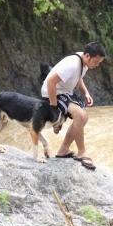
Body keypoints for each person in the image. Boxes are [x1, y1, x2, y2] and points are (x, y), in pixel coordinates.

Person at [41, 41, 106, 170]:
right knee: (79, 115)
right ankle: (82, 152)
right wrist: (54, 107)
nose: (97, 65)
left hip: (64, 93)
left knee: (84, 117)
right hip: (52, 93)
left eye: (99, 63)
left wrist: (86, 93)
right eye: (96, 62)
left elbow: (78, 78)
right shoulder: (72, 64)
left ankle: (63, 150)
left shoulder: (83, 63)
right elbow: (50, 82)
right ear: (87, 56)